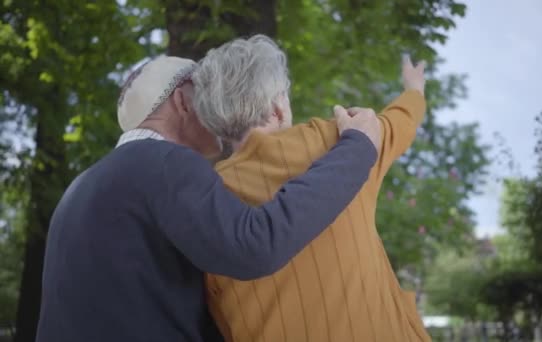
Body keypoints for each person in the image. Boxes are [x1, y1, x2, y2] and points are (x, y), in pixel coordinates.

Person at [35, 56, 381, 342]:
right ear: (183, 101)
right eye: (209, 93)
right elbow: (254, 246)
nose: (221, 106)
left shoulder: (84, 186)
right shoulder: (166, 164)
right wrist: (357, 148)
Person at [193, 35, 431, 341]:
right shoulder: (342, 140)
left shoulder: (204, 198)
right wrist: (415, 89)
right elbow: (402, 120)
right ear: (278, 107)